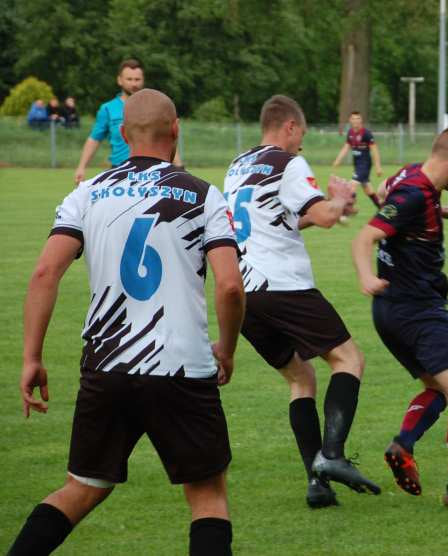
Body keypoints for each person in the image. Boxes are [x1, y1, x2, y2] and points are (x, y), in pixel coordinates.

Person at [8, 89, 245, 555]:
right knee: (208, 497)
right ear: (176, 129)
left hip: (107, 366)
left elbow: (44, 273)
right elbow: (231, 287)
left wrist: (32, 357)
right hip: (181, 367)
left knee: (81, 488)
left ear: (121, 134)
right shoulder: (202, 194)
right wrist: (228, 348)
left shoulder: (87, 193)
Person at [223, 94, 379, 509]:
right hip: (284, 285)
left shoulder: (238, 167)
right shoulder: (287, 163)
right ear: (290, 127)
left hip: (245, 293)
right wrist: (338, 200)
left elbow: (287, 219)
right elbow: (326, 216)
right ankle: (331, 456)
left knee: (300, 379)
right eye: (302, 135)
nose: (302, 145)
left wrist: (332, 208)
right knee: (349, 360)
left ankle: (317, 484)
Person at [352, 126, 448, 509]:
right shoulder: (415, 193)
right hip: (418, 311)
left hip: (389, 313)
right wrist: (366, 275)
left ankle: (403, 445)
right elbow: (366, 237)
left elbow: (385, 194)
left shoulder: (409, 178)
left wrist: (436, 210)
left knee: (438, 389)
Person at [74, 59, 180, 183]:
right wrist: (81, 167)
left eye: (137, 79)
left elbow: (166, 136)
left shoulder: (154, 106)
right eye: (129, 79)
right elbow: (94, 139)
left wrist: (178, 164)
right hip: (120, 170)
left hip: (152, 170)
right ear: (120, 80)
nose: (133, 84)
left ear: (143, 80)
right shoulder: (108, 109)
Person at [331, 111, 383, 210]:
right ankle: (381, 208)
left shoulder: (366, 134)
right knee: (368, 189)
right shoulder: (350, 133)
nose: (356, 121)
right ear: (350, 120)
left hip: (365, 165)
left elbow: (374, 150)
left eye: (358, 118)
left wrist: (378, 166)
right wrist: (338, 160)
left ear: (361, 120)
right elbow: (346, 147)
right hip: (357, 165)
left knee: (352, 185)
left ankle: (347, 210)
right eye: (354, 119)